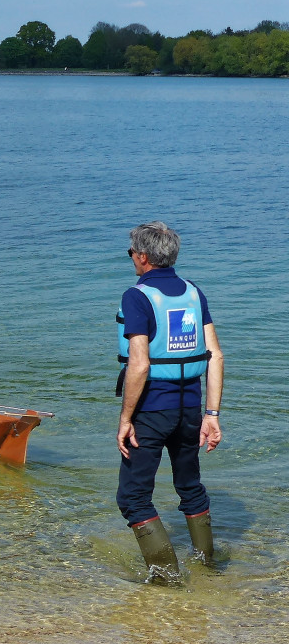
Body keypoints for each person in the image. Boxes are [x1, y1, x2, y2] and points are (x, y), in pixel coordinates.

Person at [116, 221, 224, 582]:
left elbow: (140, 362)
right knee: (190, 486)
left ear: (143, 257)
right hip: (191, 408)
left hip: (151, 409)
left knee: (133, 498)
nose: (131, 258)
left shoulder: (137, 296)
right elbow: (216, 356)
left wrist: (125, 418)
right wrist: (212, 414)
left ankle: (166, 581)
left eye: (131, 252)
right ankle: (208, 566)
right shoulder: (194, 292)